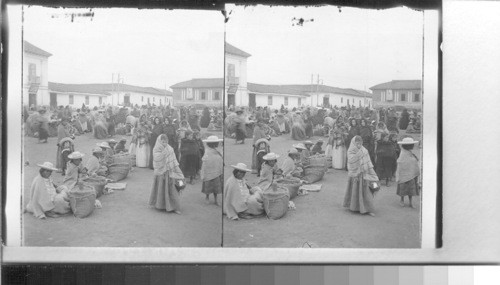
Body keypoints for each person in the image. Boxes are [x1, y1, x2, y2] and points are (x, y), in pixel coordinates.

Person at [343, 136, 379, 216]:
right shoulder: (350, 151)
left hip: (364, 174)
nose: (359, 145)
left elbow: (368, 161)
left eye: (360, 143)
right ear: (353, 143)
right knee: (354, 191)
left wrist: (371, 171)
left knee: (366, 192)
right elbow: (351, 161)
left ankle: (367, 208)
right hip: (355, 175)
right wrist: (359, 154)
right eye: (357, 143)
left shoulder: (364, 150)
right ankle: (354, 207)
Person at [149, 134, 185, 214]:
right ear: (159, 141)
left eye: (166, 142)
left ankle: (175, 207)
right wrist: (164, 154)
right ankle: (160, 205)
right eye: (163, 142)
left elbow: (174, 159)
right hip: (161, 173)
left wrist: (176, 169)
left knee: (172, 190)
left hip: (170, 172)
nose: (165, 143)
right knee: (160, 189)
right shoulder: (156, 148)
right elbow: (156, 159)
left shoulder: (170, 148)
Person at [396, 137, 421, 208]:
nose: (413, 146)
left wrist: (414, 159)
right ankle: (402, 200)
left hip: (411, 174)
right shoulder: (403, 153)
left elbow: (413, 161)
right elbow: (402, 163)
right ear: (408, 146)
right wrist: (413, 160)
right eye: (411, 145)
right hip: (404, 174)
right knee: (403, 188)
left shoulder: (410, 152)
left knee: (411, 189)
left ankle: (410, 201)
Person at [200, 135, 223, 205]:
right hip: (208, 172)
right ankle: (207, 197)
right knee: (208, 186)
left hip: (217, 172)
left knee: (216, 186)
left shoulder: (218, 151)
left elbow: (220, 160)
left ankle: (216, 199)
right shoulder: (207, 151)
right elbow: (205, 161)